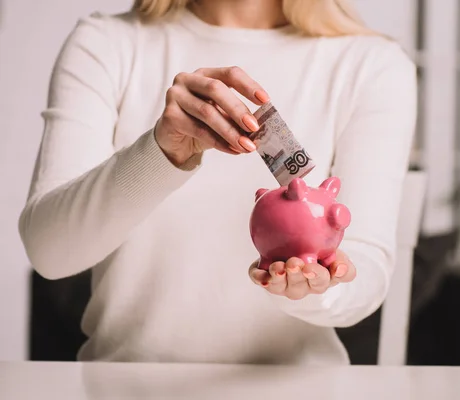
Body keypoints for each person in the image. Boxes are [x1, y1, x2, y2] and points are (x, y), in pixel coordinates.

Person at [19, 0, 416, 364]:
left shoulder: (371, 64)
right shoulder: (107, 43)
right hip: (124, 388)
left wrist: (311, 288)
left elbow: (365, 271)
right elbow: (51, 253)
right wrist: (161, 153)